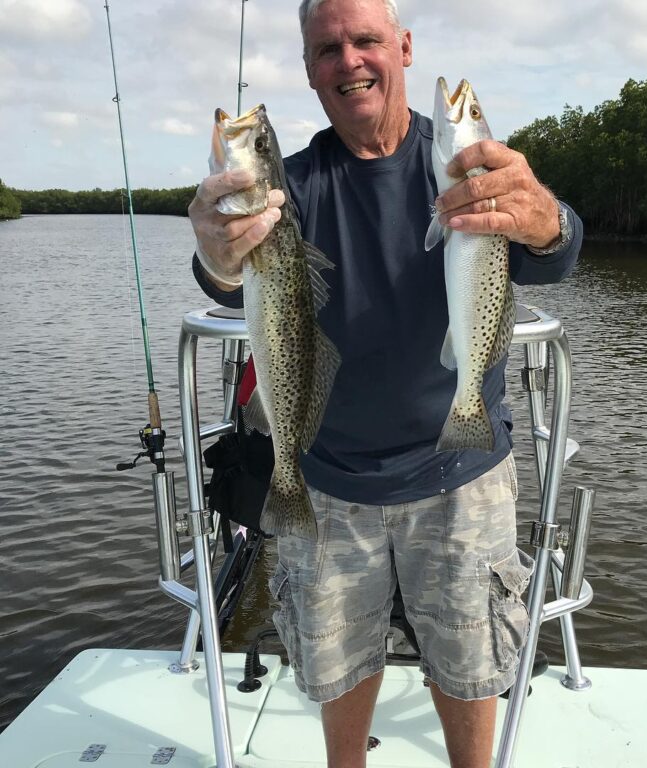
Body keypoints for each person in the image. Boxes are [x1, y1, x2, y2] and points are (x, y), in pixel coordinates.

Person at [189, 1, 582, 765]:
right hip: (328, 474)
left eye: (366, 40)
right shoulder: (292, 186)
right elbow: (232, 283)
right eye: (328, 48)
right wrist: (217, 250)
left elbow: (556, 253)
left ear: (402, 46)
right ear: (309, 70)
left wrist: (545, 221)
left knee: (471, 665)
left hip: (463, 470)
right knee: (338, 664)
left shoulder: (468, 169)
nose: (350, 60)